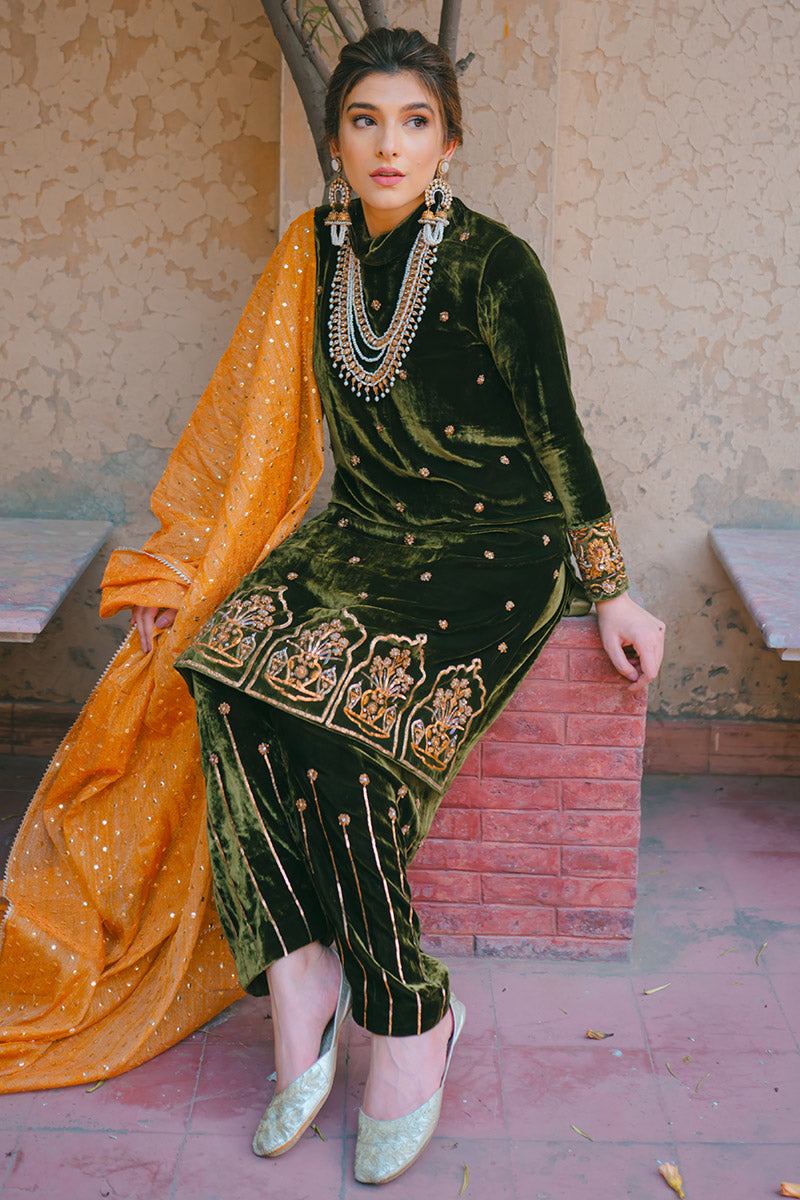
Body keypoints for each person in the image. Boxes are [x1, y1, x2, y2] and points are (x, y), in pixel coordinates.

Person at [0, 25, 664, 1187]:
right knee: (223, 668)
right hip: (361, 533)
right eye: (364, 121)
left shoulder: (495, 265)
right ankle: (299, 967)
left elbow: (559, 440)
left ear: (449, 144)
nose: (387, 144)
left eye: (413, 121)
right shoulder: (313, 252)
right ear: (335, 140)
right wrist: (184, 565)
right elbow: (240, 426)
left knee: (350, 734)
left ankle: (409, 1015)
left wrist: (609, 589)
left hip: (494, 551)